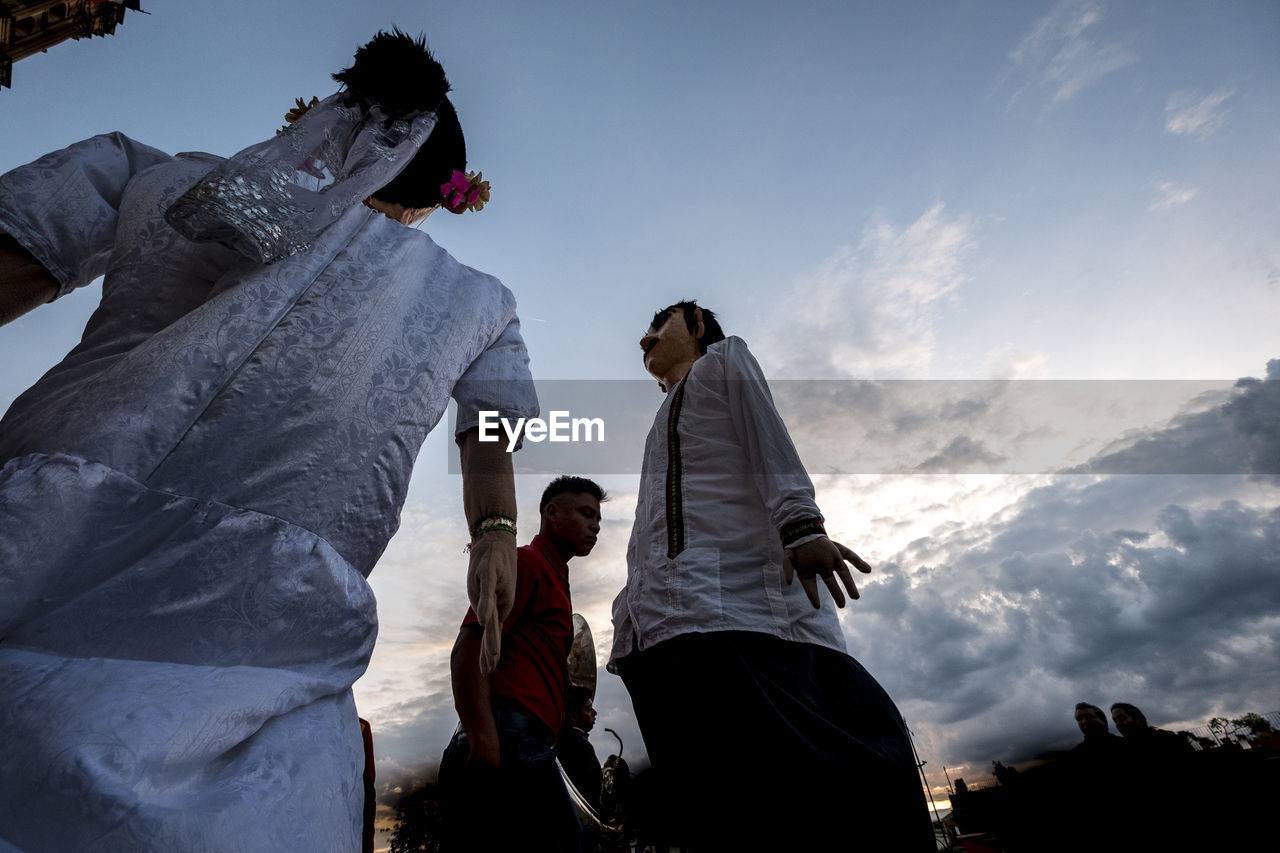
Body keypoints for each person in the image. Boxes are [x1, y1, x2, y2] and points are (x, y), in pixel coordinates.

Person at [0, 31, 536, 852]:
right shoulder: (473, 299)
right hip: (260, 628)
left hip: (33, 536)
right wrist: (494, 534)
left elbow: (19, 251)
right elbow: (490, 431)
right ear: (438, 192)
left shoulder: (156, 173)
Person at [607, 300, 934, 851]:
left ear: (697, 325)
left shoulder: (723, 363)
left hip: (744, 614)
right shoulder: (661, 420)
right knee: (719, 808)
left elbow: (768, 436)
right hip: (668, 629)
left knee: (803, 793)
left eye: (658, 326)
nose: (645, 341)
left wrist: (801, 525)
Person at [440, 476, 606, 853]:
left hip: (526, 741)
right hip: (509, 741)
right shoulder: (525, 562)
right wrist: (483, 741)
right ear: (551, 513)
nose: (595, 525)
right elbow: (468, 646)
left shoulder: (556, 580)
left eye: (598, 518)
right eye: (585, 513)